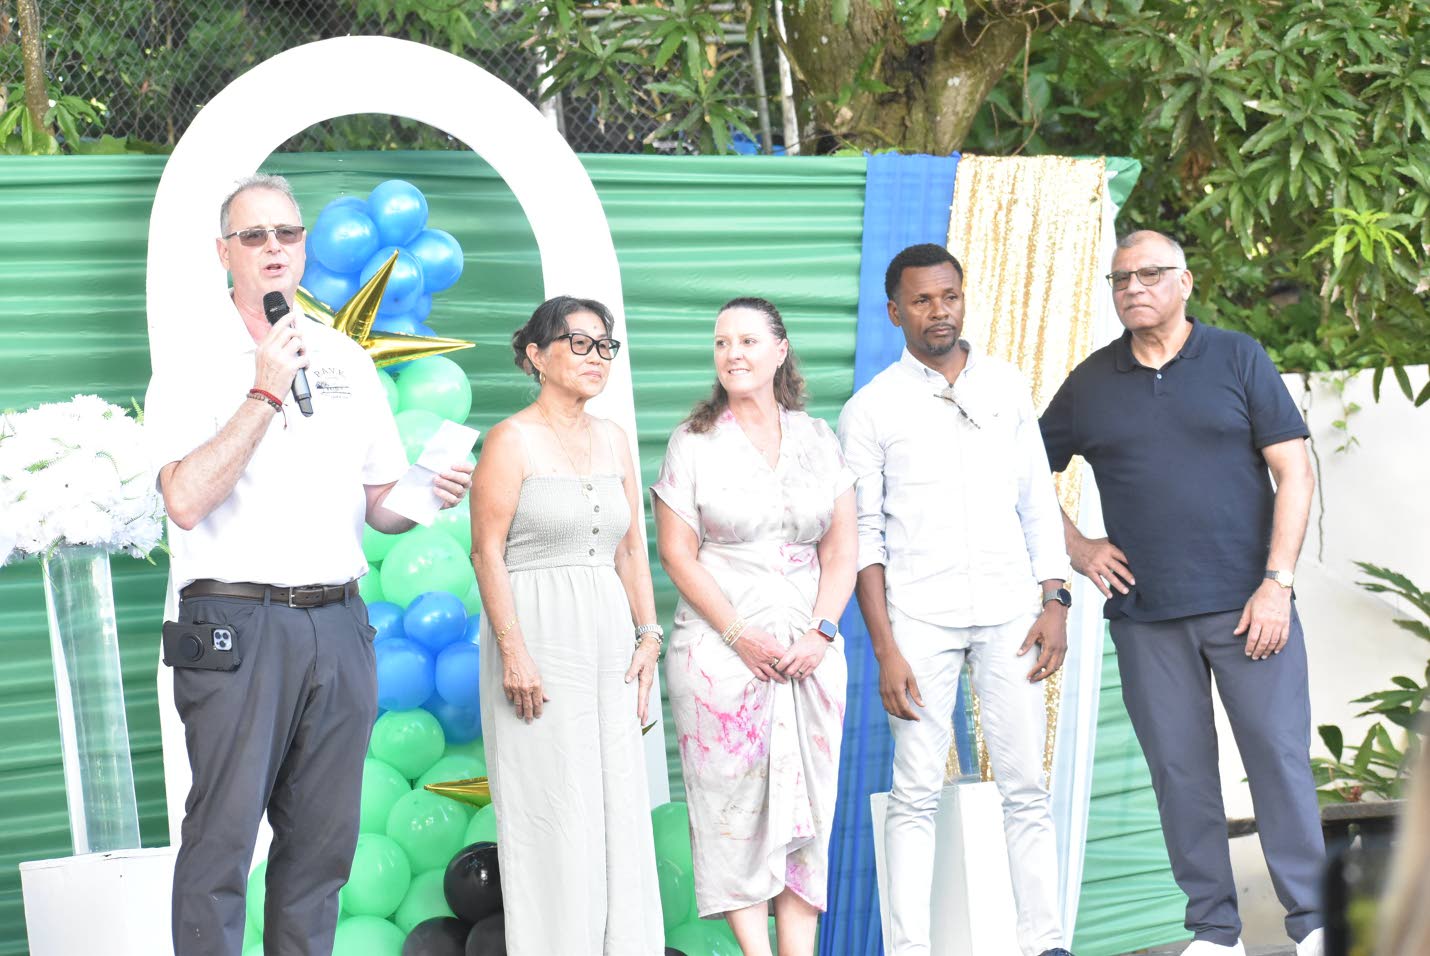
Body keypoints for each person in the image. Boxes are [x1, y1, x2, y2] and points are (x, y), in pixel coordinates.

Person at [144, 173, 472, 955]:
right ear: (223, 252)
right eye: (254, 236)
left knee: (322, 849)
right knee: (222, 840)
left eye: (287, 234)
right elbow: (184, 499)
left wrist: (429, 492)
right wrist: (263, 393)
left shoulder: (345, 359)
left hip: (338, 623)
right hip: (236, 621)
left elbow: (379, 503)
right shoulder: (192, 361)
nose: (274, 249)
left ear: (302, 247)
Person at [1039, 230, 1324, 956]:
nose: (1133, 288)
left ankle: (1316, 923)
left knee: (1279, 761)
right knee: (1179, 774)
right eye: (1120, 279)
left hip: (1251, 608)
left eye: (1149, 274)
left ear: (1185, 282)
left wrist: (1277, 584)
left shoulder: (1237, 357)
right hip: (1148, 618)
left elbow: (1295, 472)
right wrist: (1078, 547)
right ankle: (1215, 931)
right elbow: (1021, 477)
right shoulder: (1090, 384)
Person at [838, 243, 1074, 956]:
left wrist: (1055, 598)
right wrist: (885, 648)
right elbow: (864, 539)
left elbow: (1037, 500)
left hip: (1011, 613)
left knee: (1026, 786)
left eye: (949, 296)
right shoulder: (870, 409)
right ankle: (909, 949)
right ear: (894, 312)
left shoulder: (1005, 385)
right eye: (921, 300)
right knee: (914, 791)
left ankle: (1046, 942)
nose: (938, 312)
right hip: (919, 621)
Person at [652, 297, 857, 956]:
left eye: (746, 341)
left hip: (809, 655)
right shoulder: (692, 443)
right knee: (731, 814)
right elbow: (677, 554)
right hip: (720, 656)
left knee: (808, 814)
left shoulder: (818, 439)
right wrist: (740, 635)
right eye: (721, 343)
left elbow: (843, 550)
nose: (732, 354)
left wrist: (821, 633)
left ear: (780, 350)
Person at [469, 295, 664, 956]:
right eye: (579, 343)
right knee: (553, 808)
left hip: (608, 640)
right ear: (536, 355)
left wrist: (649, 635)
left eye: (605, 345)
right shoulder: (511, 439)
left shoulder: (614, 438)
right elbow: (486, 552)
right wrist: (513, 652)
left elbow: (631, 548)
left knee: (616, 803)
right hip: (538, 638)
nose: (596, 356)